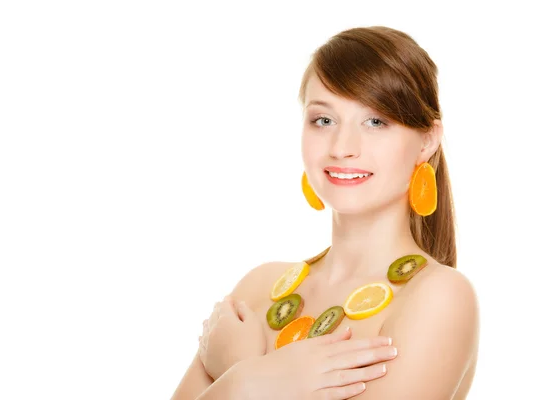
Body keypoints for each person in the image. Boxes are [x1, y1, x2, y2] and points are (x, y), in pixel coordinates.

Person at [172, 25, 479, 400]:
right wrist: (252, 379)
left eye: (375, 121)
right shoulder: (258, 286)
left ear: (426, 141)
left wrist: (243, 373)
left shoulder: (439, 296)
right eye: (324, 120)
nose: (342, 147)